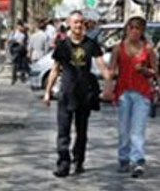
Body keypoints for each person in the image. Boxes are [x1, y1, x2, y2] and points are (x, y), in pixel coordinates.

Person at [43, 10, 111, 177]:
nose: (79, 25)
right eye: (75, 22)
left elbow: (102, 66)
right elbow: (55, 69)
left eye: (81, 22)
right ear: (69, 24)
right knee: (63, 131)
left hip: (84, 94)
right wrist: (47, 91)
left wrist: (109, 85)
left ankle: (79, 160)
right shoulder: (63, 45)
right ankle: (63, 164)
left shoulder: (91, 44)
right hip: (66, 93)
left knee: (82, 131)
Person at [108, 14, 157, 177]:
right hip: (123, 93)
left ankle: (138, 161)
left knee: (137, 129)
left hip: (142, 93)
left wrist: (145, 70)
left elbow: (155, 72)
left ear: (142, 31)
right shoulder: (118, 48)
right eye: (131, 27)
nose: (134, 31)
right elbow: (111, 70)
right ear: (127, 29)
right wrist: (108, 87)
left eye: (138, 28)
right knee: (123, 129)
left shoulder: (148, 49)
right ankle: (123, 159)